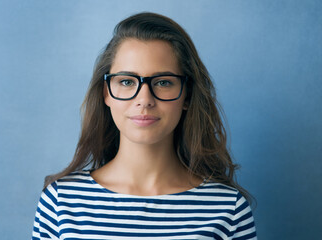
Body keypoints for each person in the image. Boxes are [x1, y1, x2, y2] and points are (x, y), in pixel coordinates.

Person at [31, 12, 257, 240]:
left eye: (163, 82)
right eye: (127, 82)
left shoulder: (229, 209)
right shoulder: (61, 202)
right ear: (106, 93)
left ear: (187, 96)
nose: (144, 99)